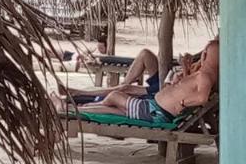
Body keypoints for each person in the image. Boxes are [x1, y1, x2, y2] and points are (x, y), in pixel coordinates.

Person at [75, 38, 219, 124]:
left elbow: (202, 97)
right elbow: (188, 88)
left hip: (155, 112)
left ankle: (81, 107)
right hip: (154, 108)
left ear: (205, 55)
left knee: (115, 97)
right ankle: (79, 108)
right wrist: (185, 70)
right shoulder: (202, 73)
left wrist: (182, 103)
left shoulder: (205, 76)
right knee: (112, 107)